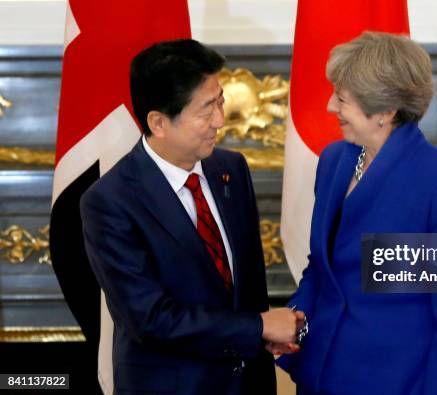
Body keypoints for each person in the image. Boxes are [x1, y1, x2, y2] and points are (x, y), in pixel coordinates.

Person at [80, 39, 303, 395]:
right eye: (205, 110)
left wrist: (261, 334)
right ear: (159, 122)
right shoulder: (110, 201)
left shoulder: (231, 169)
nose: (220, 119)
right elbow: (151, 320)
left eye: (220, 100)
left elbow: (248, 288)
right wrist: (258, 327)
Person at [277, 32, 437, 394]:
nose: (329, 107)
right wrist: (294, 324)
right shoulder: (334, 161)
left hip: (398, 381)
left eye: (342, 99)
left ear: (385, 111)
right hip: (322, 374)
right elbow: (321, 270)